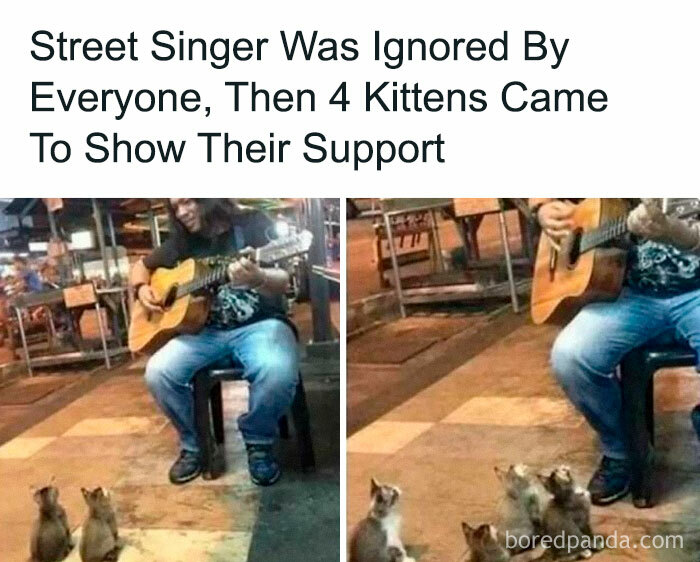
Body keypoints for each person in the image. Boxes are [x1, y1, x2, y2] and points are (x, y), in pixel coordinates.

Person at [537, 199, 700, 506]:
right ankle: (621, 450)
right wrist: (541, 207)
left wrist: (681, 234)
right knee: (570, 356)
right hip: (631, 296)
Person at [130, 199, 298, 486]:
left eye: (187, 201)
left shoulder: (252, 223)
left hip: (260, 325)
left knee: (276, 369)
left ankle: (258, 441)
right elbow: (139, 267)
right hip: (204, 333)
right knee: (158, 372)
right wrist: (142, 288)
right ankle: (194, 445)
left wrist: (258, 277)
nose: (181, 212)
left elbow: (283, 279)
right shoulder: (183, 242)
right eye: (175, 207)